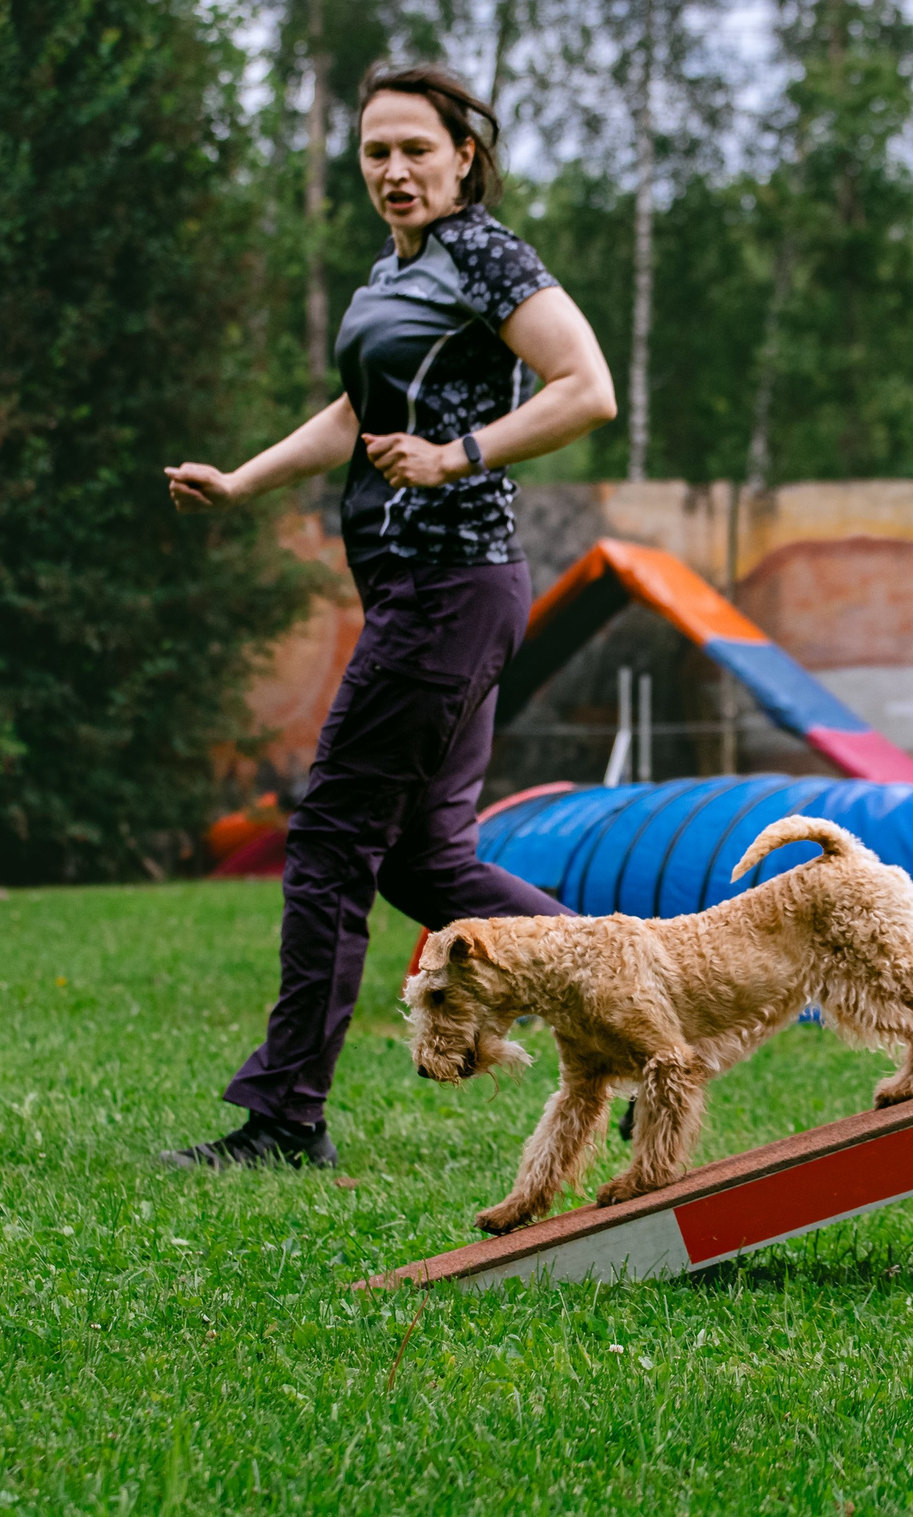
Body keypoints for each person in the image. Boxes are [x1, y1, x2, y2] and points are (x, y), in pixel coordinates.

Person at [159, 63, 617, 1169]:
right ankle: (638, 1015)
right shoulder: (391, 274)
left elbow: (584, 386)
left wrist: (457, 454)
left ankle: (285, 1117)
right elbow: (356, 410)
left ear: (464, 156)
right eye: (375, 152)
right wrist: (243, 481)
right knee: (423, 864)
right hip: (426, 595)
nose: (395, 170)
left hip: (451, 588)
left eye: (416, 148)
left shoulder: (489, 254)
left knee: (325, 839)